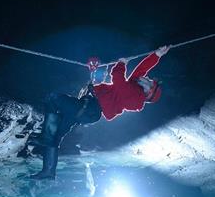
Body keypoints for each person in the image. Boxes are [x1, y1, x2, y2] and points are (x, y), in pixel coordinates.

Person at [29, 45, 171, 179]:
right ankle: (48, 172)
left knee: (53, 98)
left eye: (150, 82)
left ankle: (45, 137)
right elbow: (142, 69)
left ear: (149, 90)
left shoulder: (134, 97)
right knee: (55, 136)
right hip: (88, 108)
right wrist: (158, 54)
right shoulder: (136, 86)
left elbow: (118, 79)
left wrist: (121, 64)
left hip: (90, 108)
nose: (149, 78)